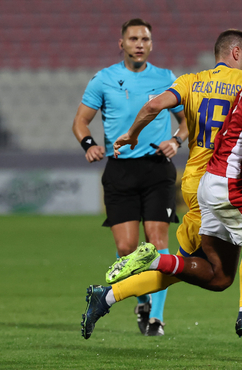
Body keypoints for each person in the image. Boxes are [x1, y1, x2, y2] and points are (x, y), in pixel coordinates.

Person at [83, 26, 242, 365]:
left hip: (201, 179)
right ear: (238, 53)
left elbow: (155, 105)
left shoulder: (201, 80)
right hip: (229, 183)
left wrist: (131, 133)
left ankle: (133, 275)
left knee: (217, 275)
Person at [73, 18, 187, 336]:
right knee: (126, 249)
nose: (140, 44)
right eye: (134, 38)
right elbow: (80, 122)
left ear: (151, 44)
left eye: (145, 39)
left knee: (158, 241)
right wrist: (89, 144)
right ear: (120, 44)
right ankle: (143, 298)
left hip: (157, 168)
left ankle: (156, 319)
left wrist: (176, 140)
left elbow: (187, 120)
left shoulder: (166, 78)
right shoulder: (104, 79)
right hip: (120, 169)